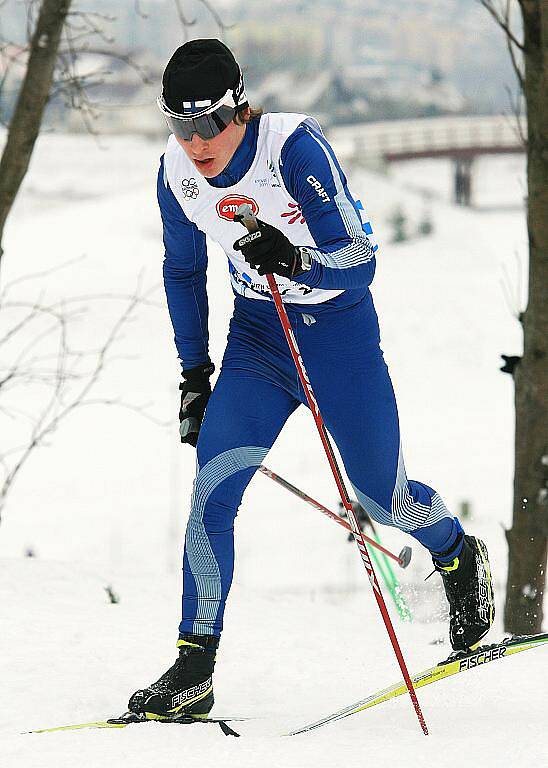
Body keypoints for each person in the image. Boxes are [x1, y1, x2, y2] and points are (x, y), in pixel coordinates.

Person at [127, 39, 494, 720]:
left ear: (238, 106)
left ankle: (458, 555)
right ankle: (194, 665)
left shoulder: (293, 149)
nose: (196, 141)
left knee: (384, 500)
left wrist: (297, 258)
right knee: (213, 488)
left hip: (339, 339)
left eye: (207, 122)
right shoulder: (175, 173)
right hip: (260, 341)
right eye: (180, 124)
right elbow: (183, 271)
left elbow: (359, 260)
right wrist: (193, 376)